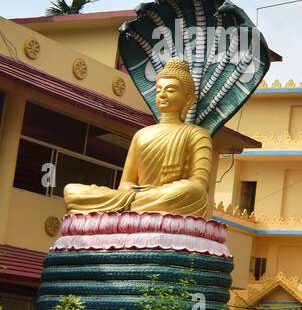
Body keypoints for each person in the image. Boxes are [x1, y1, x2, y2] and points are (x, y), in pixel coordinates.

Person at [63, 58, 213, 216]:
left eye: (170, 90)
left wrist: (157, 191)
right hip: (136, 196)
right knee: (72, 191)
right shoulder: (141, 135)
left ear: (188, 98)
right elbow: (125, 184)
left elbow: (199, 183)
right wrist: (137, 193)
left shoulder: (197, 134)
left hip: (170, 196)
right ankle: (140, 206)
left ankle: (132, 208)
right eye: (159, 90)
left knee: (194, 192)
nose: (162, 95)